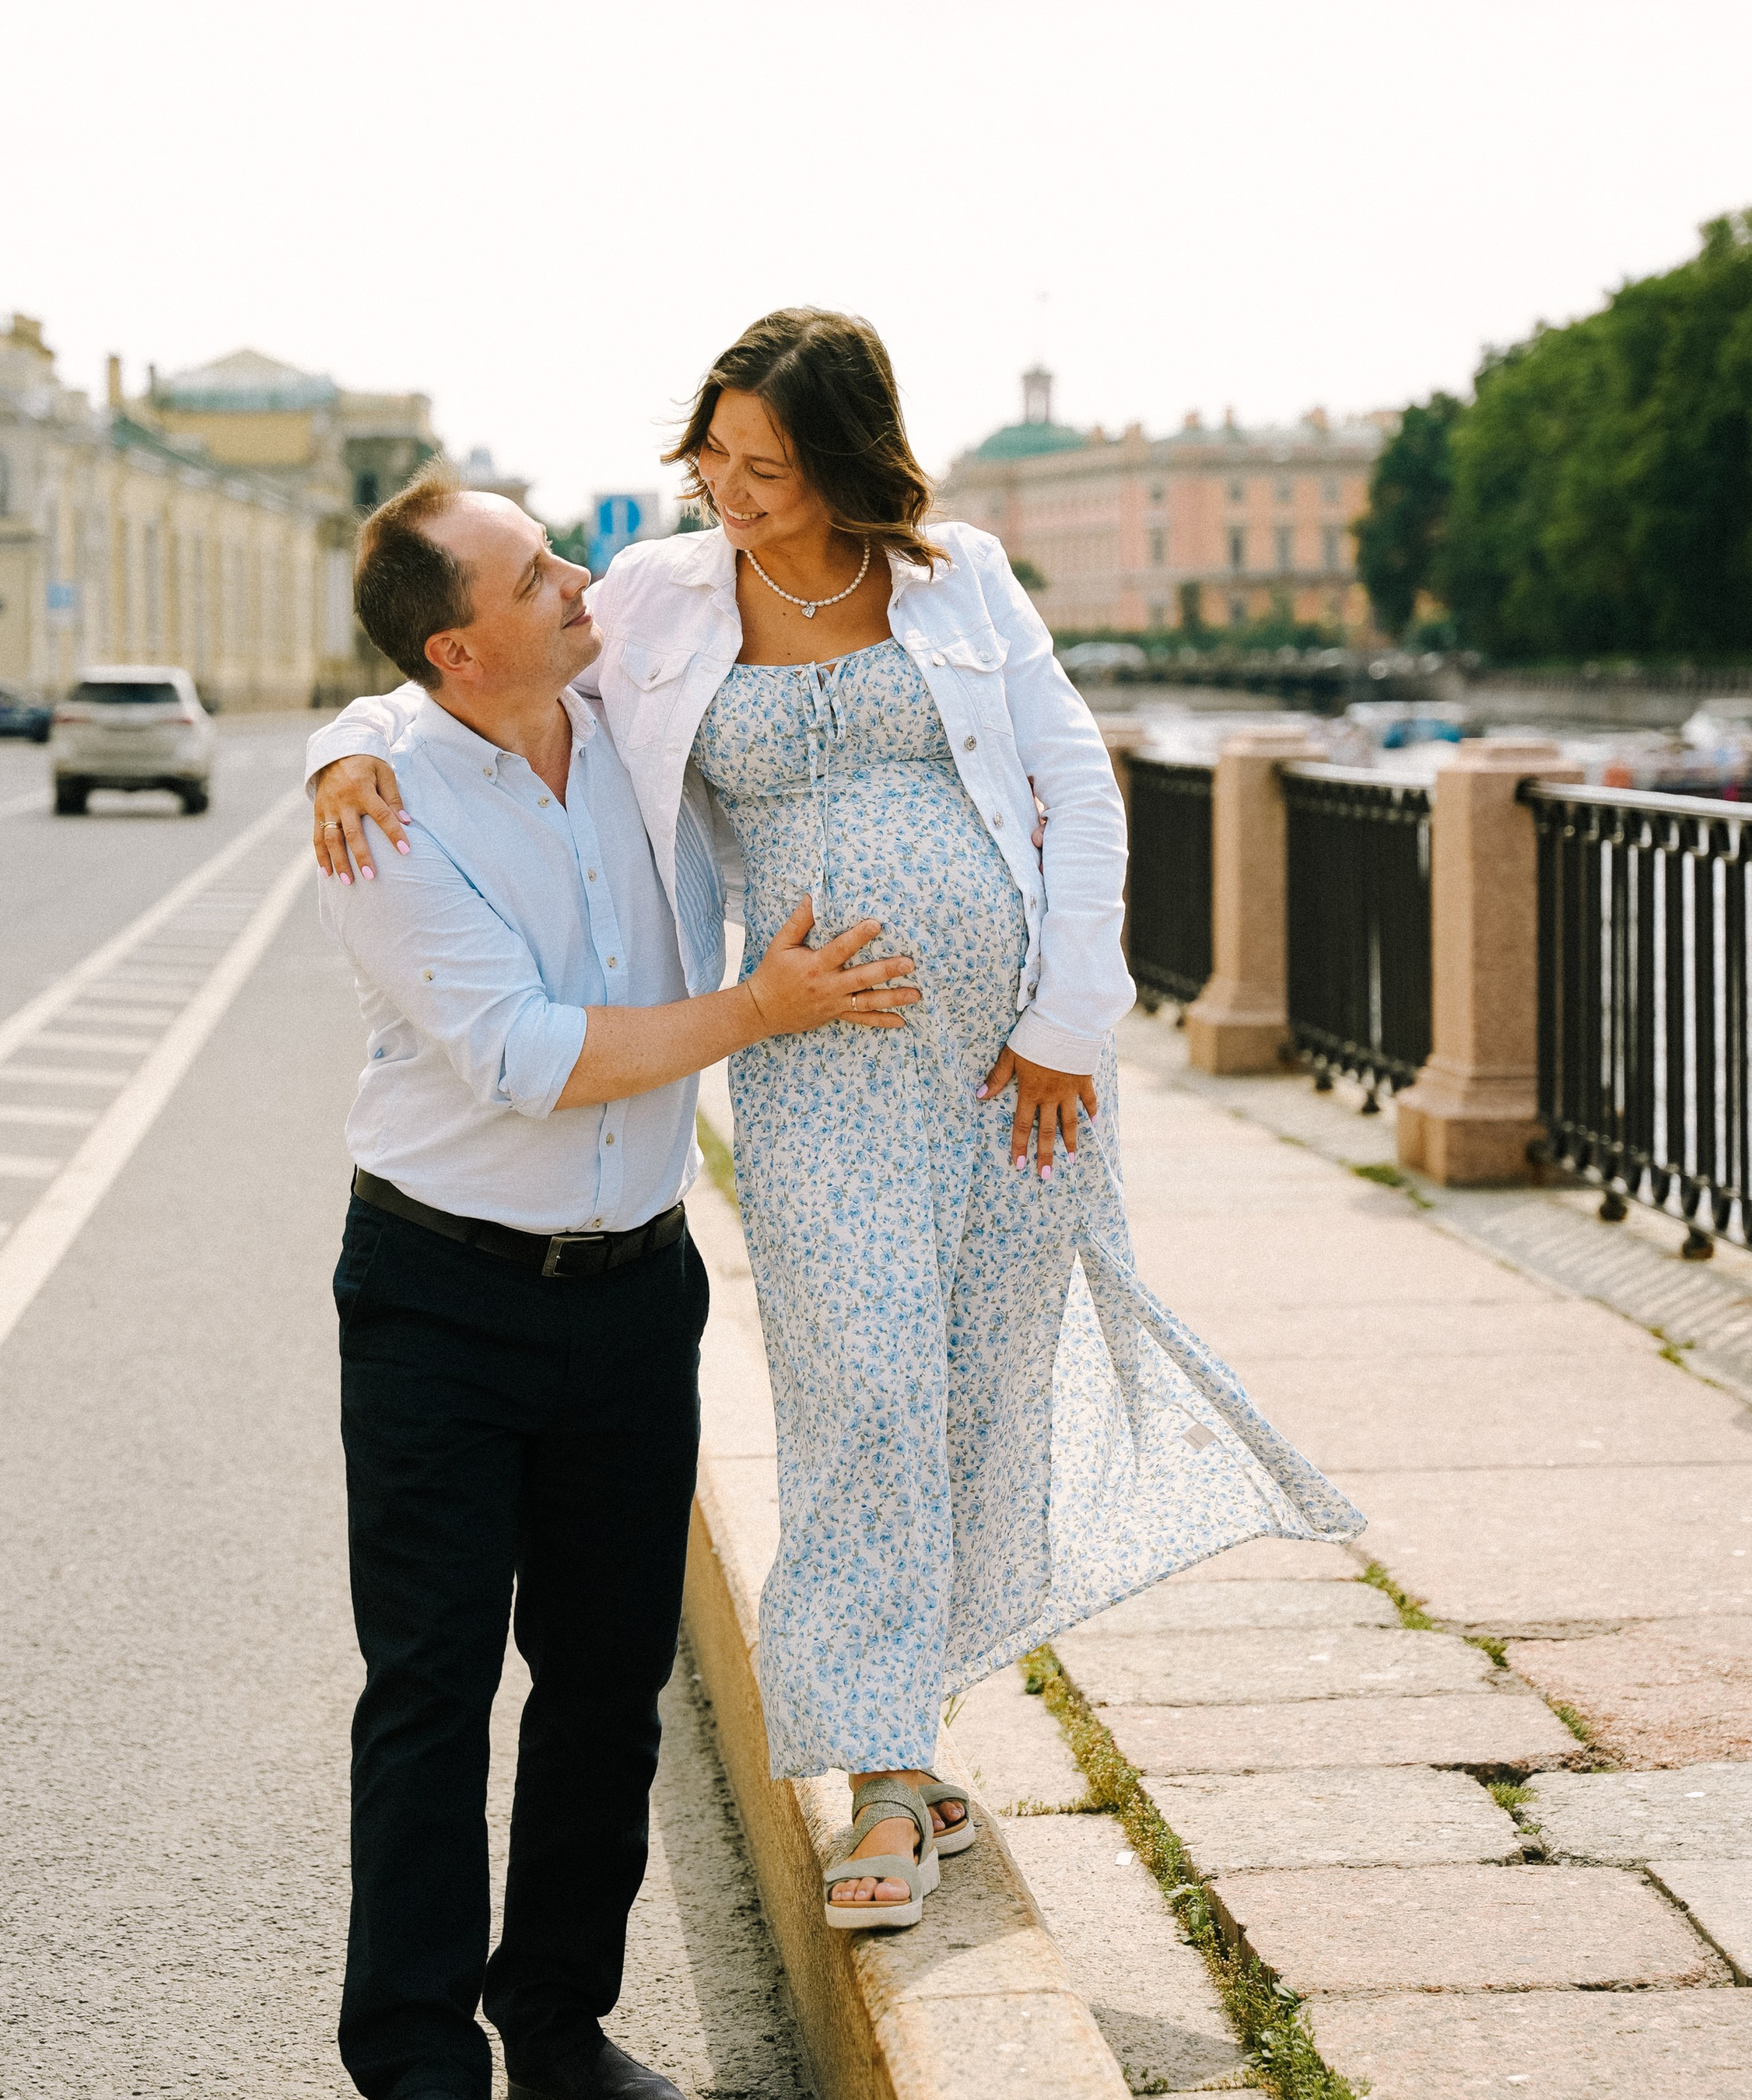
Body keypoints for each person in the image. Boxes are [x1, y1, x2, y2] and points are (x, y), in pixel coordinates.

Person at [313, 310, 1361, 1934]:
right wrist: (340, 746)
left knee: (969, 1394)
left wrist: (1068, 1019)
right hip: (819, 1063)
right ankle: (877, 1765)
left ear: (845, 460)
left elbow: (1073, 784)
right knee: (860, 1384)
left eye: (765, 465)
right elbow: (456, 678)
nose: (727, 490)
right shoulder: (660, 594)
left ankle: (901, 1739)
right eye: (711, 458)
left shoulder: (961, 576)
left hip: (1013, 1066)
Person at [317, 469, 918, 2100]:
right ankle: (420, 2065)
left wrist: (331, 722)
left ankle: (558, 2020)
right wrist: (758, 1010)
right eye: (533, 571)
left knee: (601, 1685)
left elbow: (785, 581)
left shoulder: (621, 688)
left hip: (633, 1285)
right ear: (456, 644)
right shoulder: (389, 816)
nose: (578, 580)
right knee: (428, 1685)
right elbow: (519, 1053)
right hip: (438, 1295)